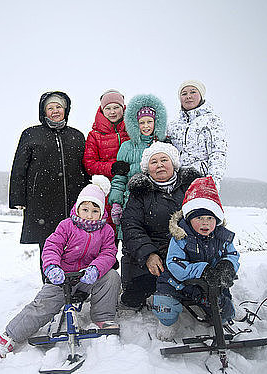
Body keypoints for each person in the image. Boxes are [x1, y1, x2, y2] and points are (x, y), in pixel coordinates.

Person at [0, 178, 120, 356]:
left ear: (101, 212)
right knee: (42, 305)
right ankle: (11, 335)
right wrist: (52, 267)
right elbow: (52, 247)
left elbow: (108, 253)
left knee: (112, 277)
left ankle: (103, 318)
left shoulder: (106, 231)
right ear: (77, 208)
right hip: (62, 277)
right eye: (85, 209)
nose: (89, 215)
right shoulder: (66, 226)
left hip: (87, 277)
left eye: (95, 210)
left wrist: (95, 269)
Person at [9, 91, 90, 282]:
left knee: (74, 244)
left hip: (73, 201)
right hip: (41, 203)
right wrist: (18, 198)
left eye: (58, 107)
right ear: (43, 111)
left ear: (66, 110)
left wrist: (90, 193)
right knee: (49, 246)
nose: (55, 111)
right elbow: (19, 167)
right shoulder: (31, 134)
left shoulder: (76, 136)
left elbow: (85, 167)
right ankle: (51, 286)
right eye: (50, 107)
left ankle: (74, 286)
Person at [151, 176, 239, 340]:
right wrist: (203, 270)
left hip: (206, 285)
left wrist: (226, 266)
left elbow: (232, 255)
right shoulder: (180, 236)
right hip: (177, 283)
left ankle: (221, 317)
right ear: (189, 218)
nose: (205, 223)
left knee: (223, 310)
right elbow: (175, 264)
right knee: (165, 306)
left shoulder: (222, 237)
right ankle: (167, 322)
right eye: (199, 218)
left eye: (210, 218)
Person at [119, 142, 202, 310]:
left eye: (164, 160)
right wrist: (149, 254)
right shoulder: (140, 192)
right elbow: (131, 226)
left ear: (173, 163)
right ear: (147, 168)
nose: (159, 165)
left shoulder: (191, 188)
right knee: (134, 297)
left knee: (198, 291)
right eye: (154, 162)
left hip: (186, 250)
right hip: (153, 250)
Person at [108, 94, 168, 236]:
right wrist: (116, 203)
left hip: (159, 204)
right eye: (142, 122)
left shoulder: (164, 145)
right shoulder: (127, 147)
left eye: (149, 122)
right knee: (133, 243)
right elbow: (119, 178)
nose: (146, 126)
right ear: (135, 124)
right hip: (132, 202)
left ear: (156, 122)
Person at [82, 89, 130, 241]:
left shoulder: (132, 130)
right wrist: (112, 168)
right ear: (102, 110)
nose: (112, 112)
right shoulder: (94, 135)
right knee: (108, 236)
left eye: (116, 107)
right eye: (108, 108)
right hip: (107, 190)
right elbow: (89, 164)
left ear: (123, 108)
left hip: (131, 187)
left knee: (132, 229)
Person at [167, 80, 227, 190]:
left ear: (201, 95)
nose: (188, 96)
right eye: (184, 94)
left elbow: (217, 153)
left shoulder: (212, 121)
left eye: (193, 92)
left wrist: (213, 182)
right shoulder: (173, 125)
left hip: (201, 180)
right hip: (177, 183)